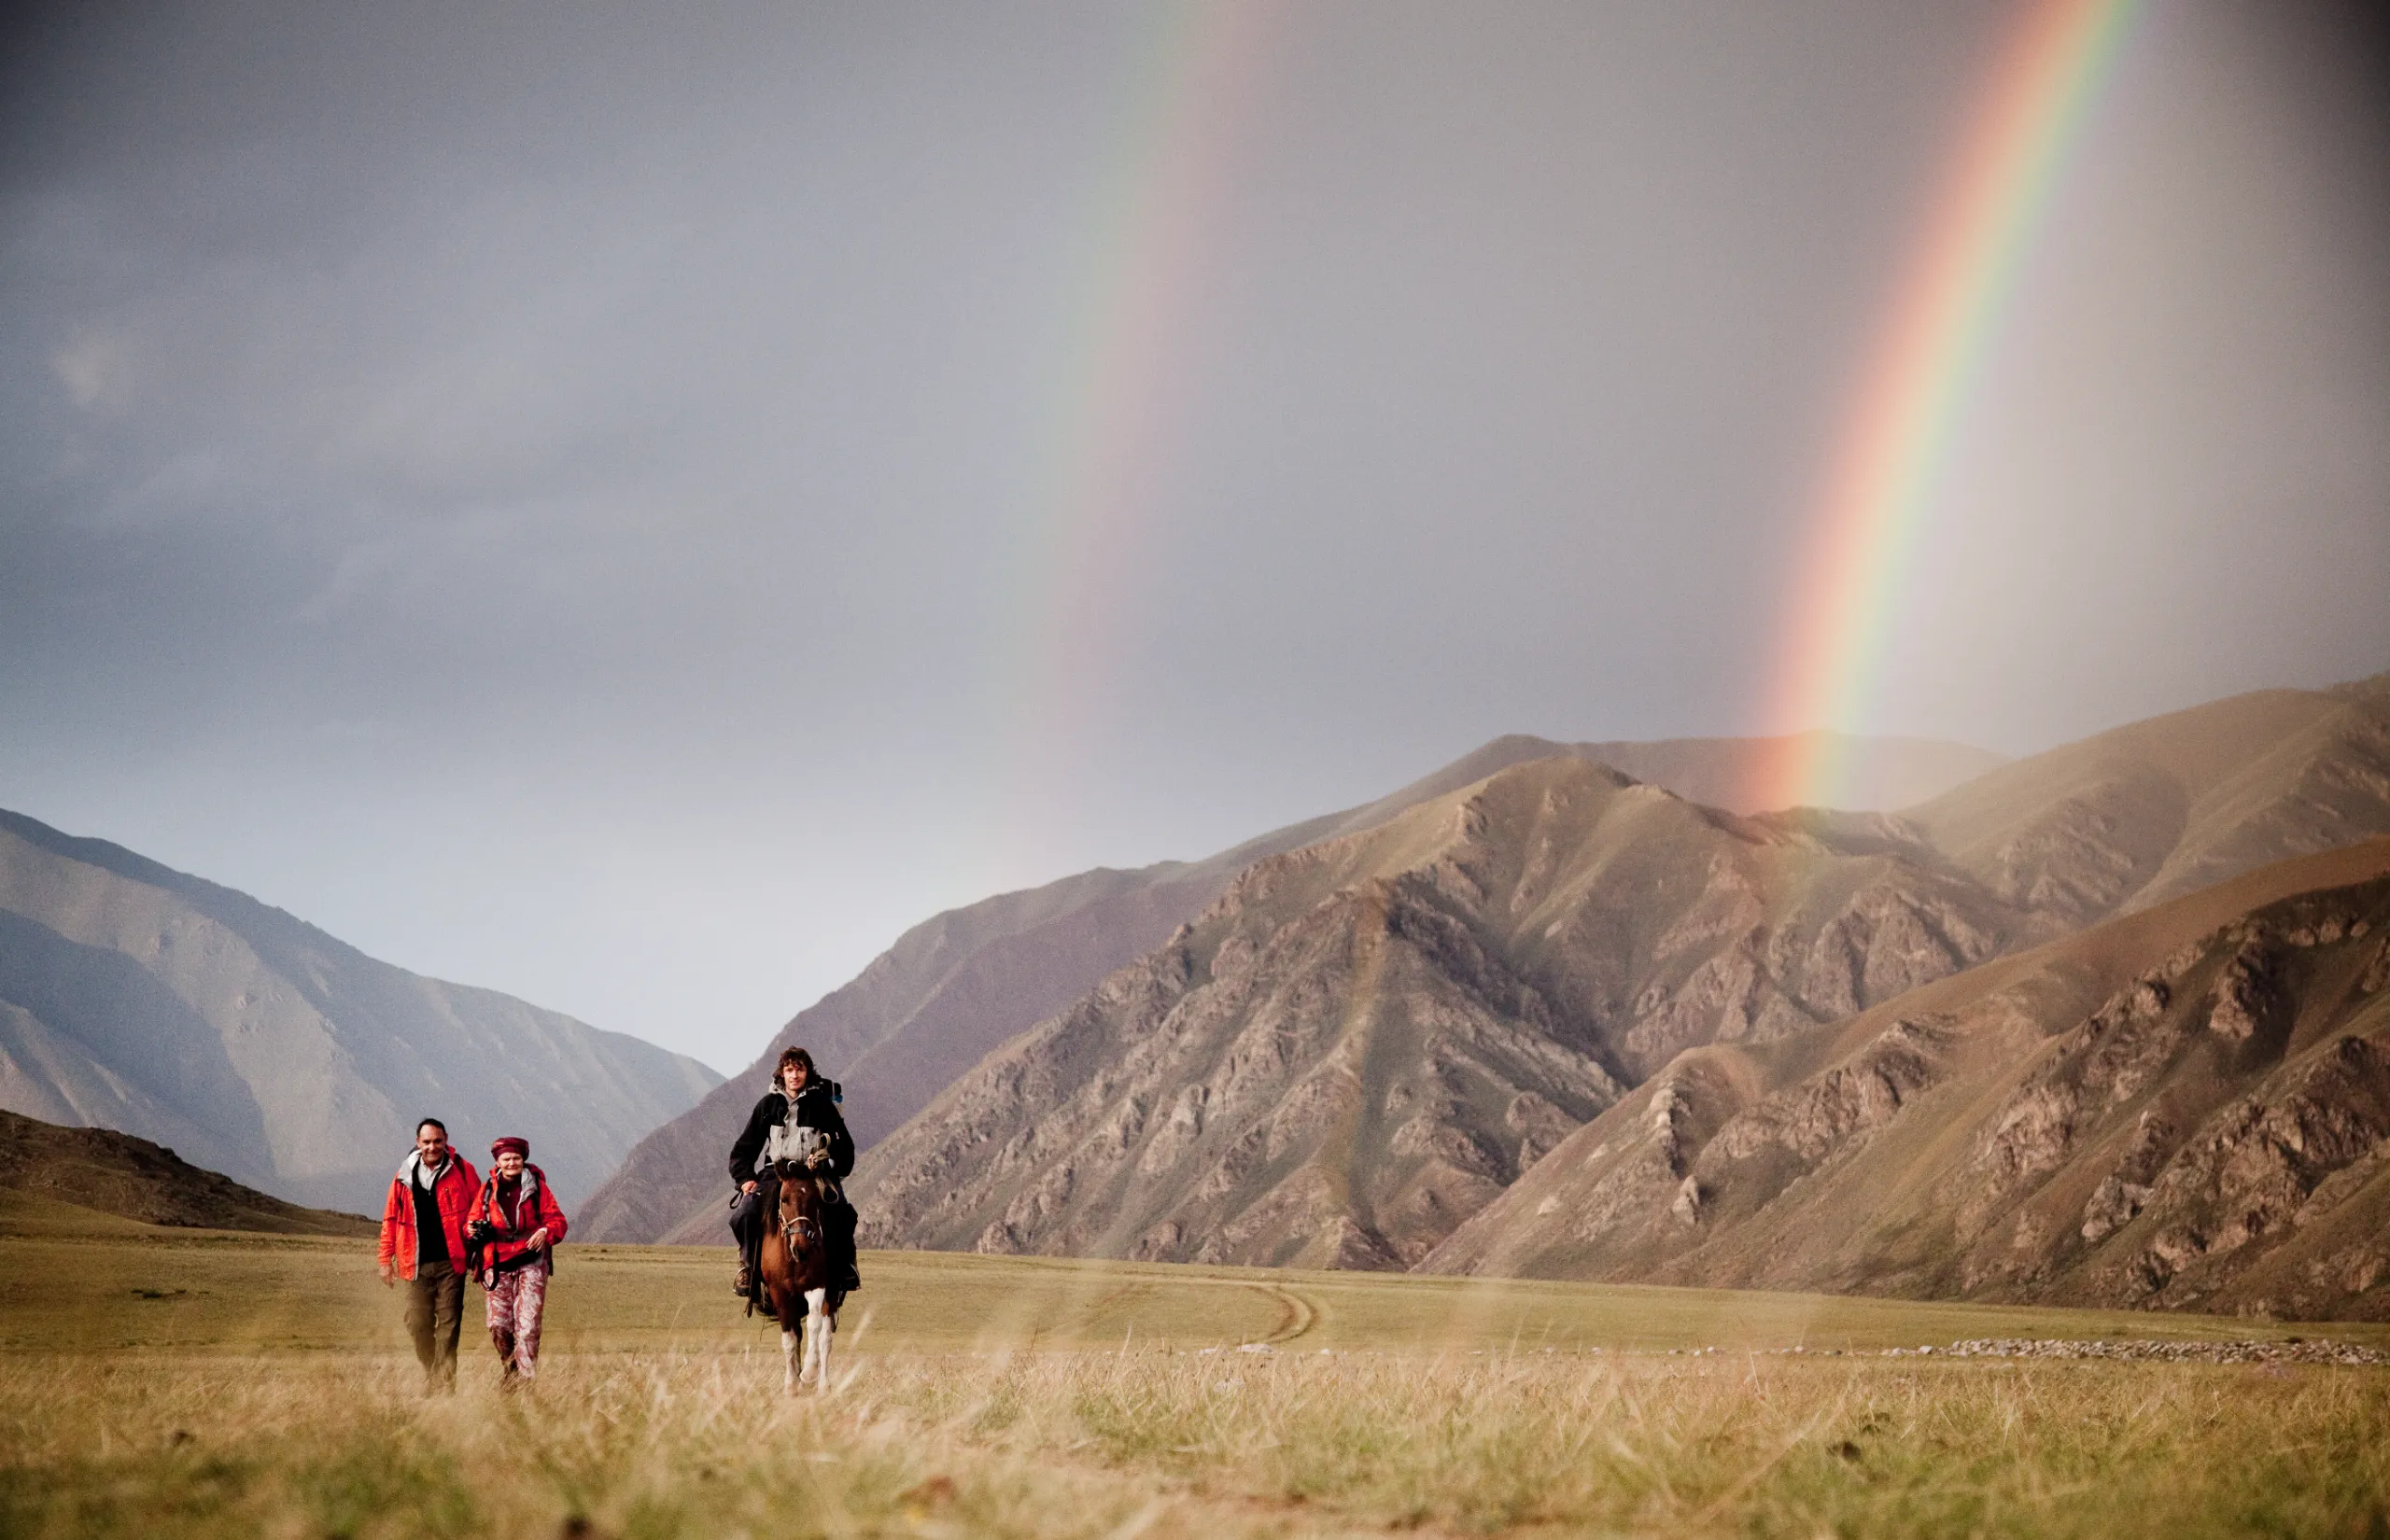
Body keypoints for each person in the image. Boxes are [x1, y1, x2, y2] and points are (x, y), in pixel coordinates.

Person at [726, 1046, 858, 1299]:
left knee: (842, 1211)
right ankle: (748, 1268)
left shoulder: (822, 1106)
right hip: (774, 1175)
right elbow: (743, 1149)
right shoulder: (768, 1106)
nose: (794, 1075)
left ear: (808, 1073)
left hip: (813, 1175)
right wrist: (745, 1180)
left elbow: (846, 1151)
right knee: (744, 1213)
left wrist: (827, 1164)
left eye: (799, 1069)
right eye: (789, 1070)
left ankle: (845, 1268)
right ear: (781, 1074)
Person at [376, 1117, 481, 1394]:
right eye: (426, 1142)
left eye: (437, 1141)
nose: (432, 1147)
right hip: (414, 1264)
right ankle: (433, 1372)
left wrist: (475, 1236)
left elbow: (479, 1206)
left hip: (452, 1262)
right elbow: (390, 1218)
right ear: (417, 1142)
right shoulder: (403, 1176)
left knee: (449, 1325)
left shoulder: (462, 1169)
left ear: (446, 1139)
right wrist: (385, 1260)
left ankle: (444, 1387)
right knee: (416, 1322)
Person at [468, 1135, 568, 1388]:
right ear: (497, 1162)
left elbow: (557, 1221)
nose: (512, 1162)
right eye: (506, 1159)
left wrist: (545, 1232)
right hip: (497, 1263)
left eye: (516, 1158)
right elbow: (470, 1222)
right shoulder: (487, 1190)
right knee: (498, 1325)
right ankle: (509, 1368)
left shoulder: (538, 1188)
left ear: (523, 1159)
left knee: (527, 1325)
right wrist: (473, 1230)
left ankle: (525, 1381)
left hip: (531, 1261)